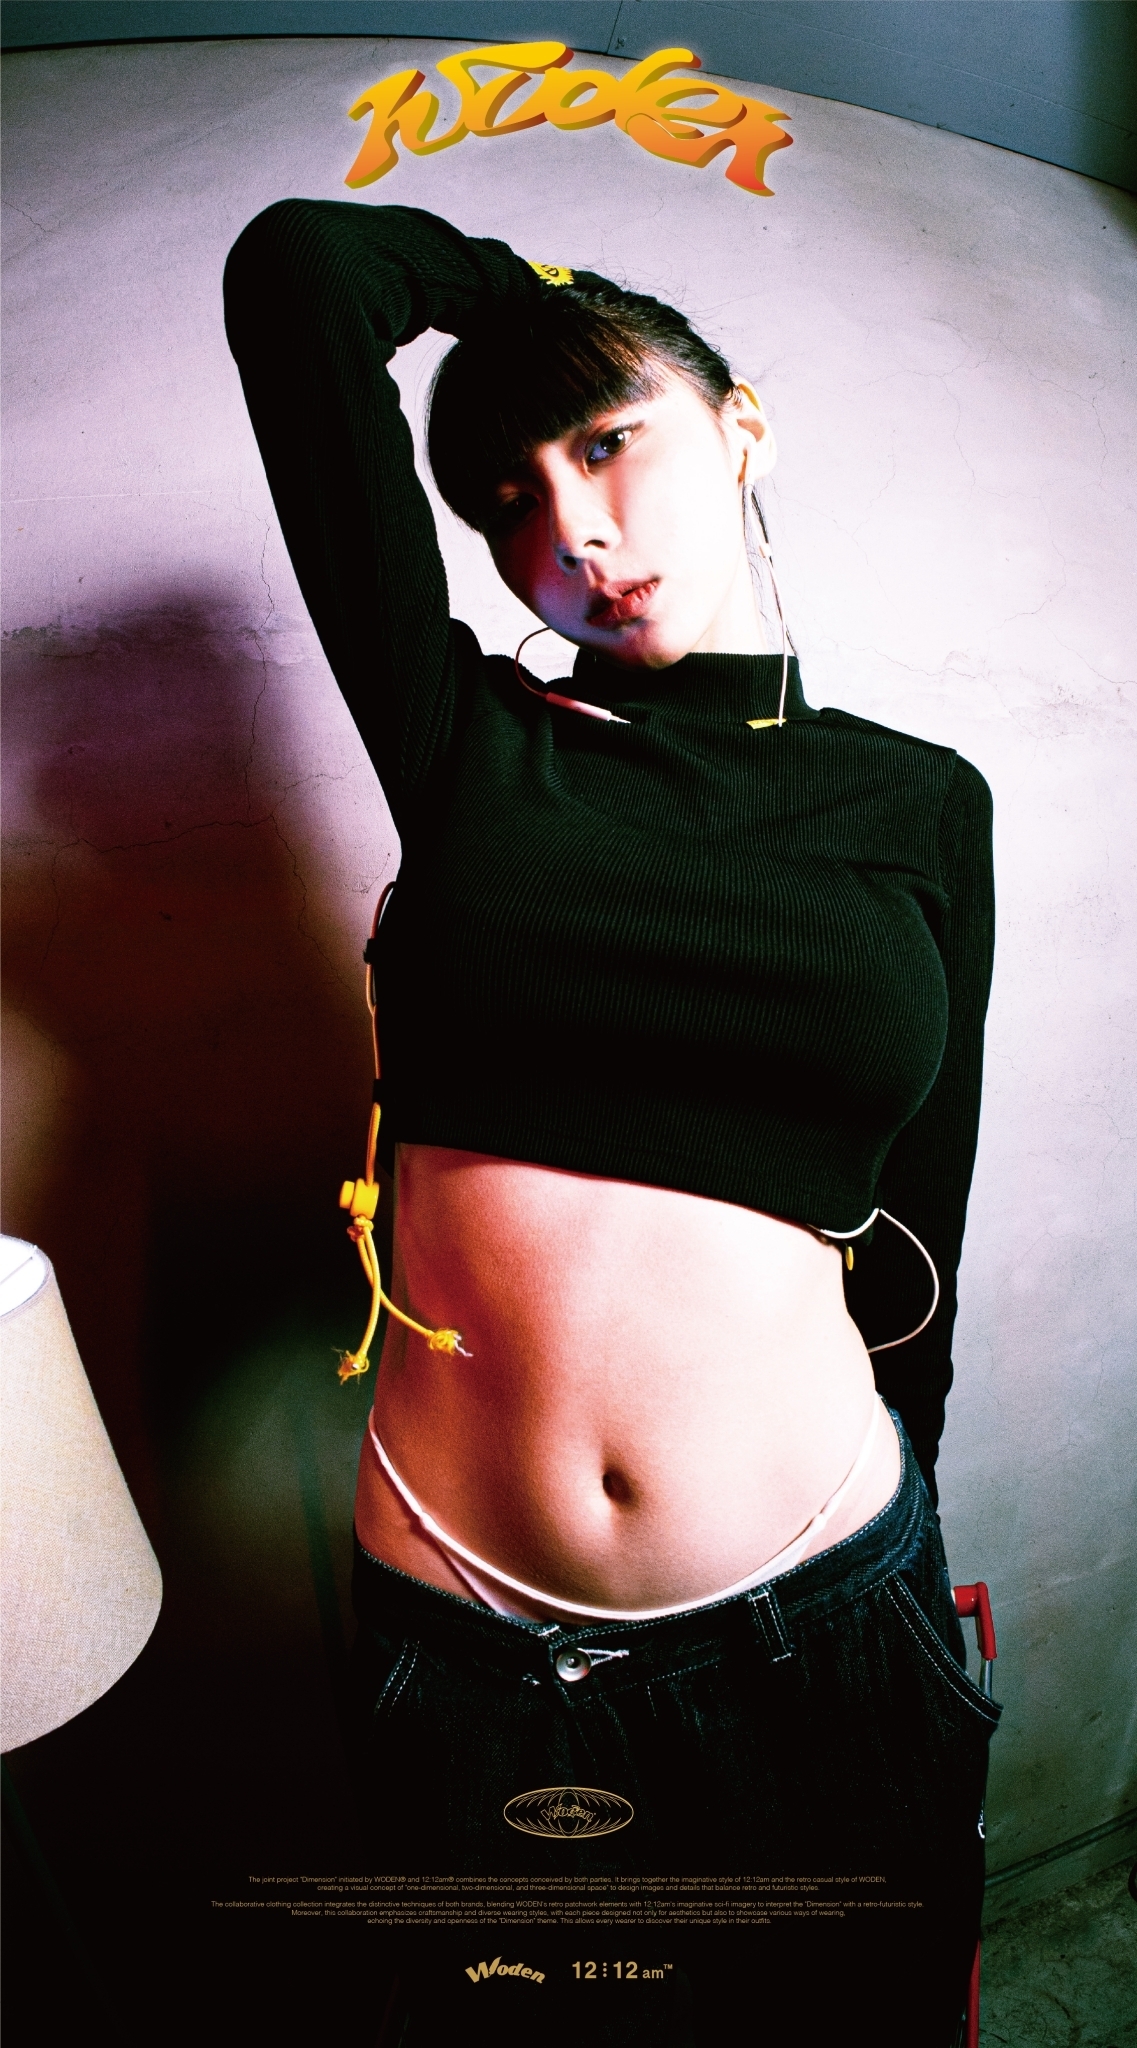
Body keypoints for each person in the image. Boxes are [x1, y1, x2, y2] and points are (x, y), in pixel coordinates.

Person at [224, 198, 999, 2045]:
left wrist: (912, 1460)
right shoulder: (470, 740)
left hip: (824, 1606)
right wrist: (526, 308)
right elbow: (300, 274)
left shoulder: (917, 802)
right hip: (473, 1645)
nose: (567, 526)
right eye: (504, 495)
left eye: (605, 439)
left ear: (742, 426)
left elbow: (922, 1210)